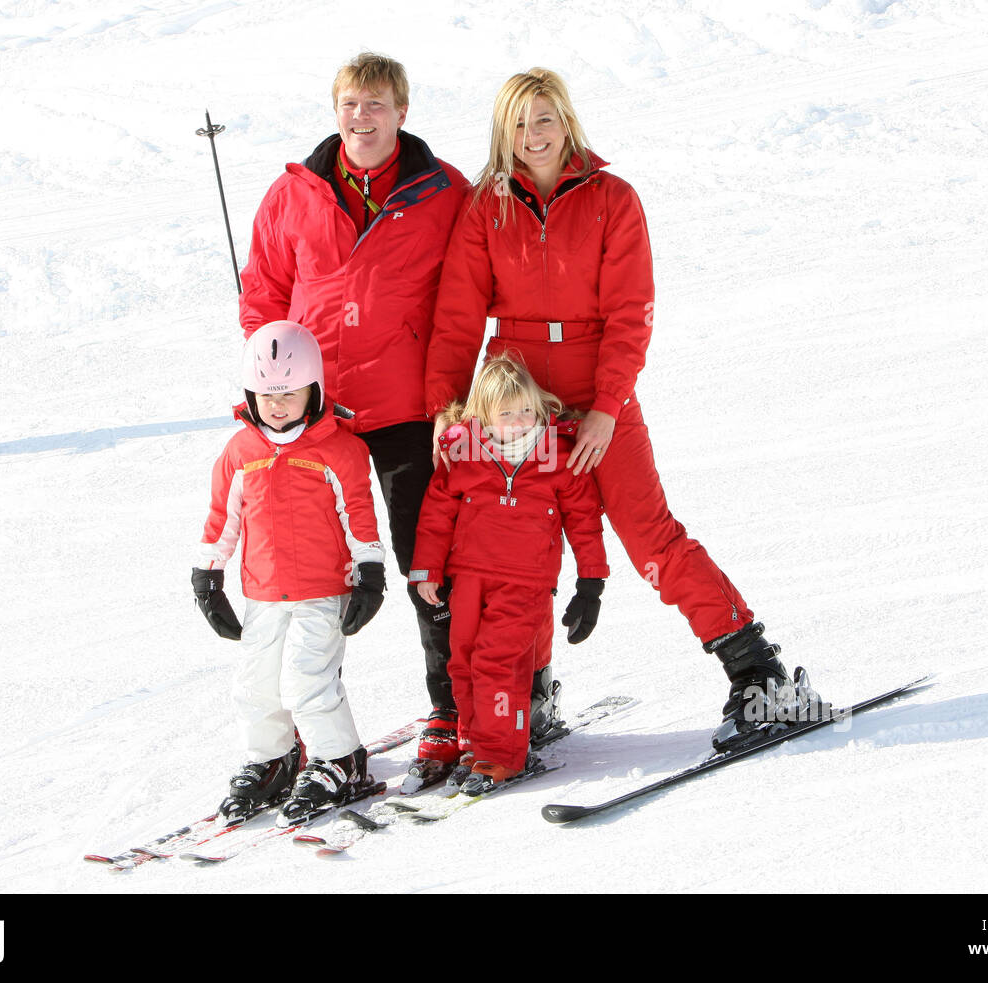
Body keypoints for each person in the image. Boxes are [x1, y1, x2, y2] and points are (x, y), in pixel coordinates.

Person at [425, 69, 814, 745]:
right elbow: (458, 316)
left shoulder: (612, 200)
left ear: (567, 121)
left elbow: (630, 313)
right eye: (518, 123)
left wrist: (606, 406)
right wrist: (447, 409)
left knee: (650, 536)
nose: (532, 135)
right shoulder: (488, 208)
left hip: (597, 397)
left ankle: (758, 672)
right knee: (517, 551)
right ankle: (530, 693)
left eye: (544, 119)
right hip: (516, 406)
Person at [238, 53, 470, 774]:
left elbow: (463, 302)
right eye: (349, 104)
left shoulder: (444, 193)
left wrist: (449, 399)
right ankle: (316, 729)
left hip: (406, 408)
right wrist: (268, 395)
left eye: (374, 104)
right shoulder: (294, 195)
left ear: (402, 111)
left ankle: (455, 707)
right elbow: (264, 298)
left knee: (427, 562)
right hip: (318, 412)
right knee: (312, 574)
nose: (360, 118)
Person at [192, 321, 388, 827]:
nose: (275, 405)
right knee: (254, 684)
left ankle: (340, 760)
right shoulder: (241, 451)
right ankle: (272, 760)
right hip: (262, 592)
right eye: (264, 394)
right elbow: (223, 519)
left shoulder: (339, 450)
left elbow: (359, 516)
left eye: (289, 393)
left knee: (306, 677)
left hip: (323, 591)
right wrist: (207, 579)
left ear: (314, 390)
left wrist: (370, 573)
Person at [410, 354, 609, 795]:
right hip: (469, 578)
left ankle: (502, 755)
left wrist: (590, 582)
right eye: (506, 413)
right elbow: (437, 512)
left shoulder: (557, 456)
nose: (519, 422)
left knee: (497, 664)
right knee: (462, 661)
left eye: (526, 410)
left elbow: (584, 521)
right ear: (483, 417)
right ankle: (473, 745)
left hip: (525, 581)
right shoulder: (462, 454)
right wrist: (427, 569)